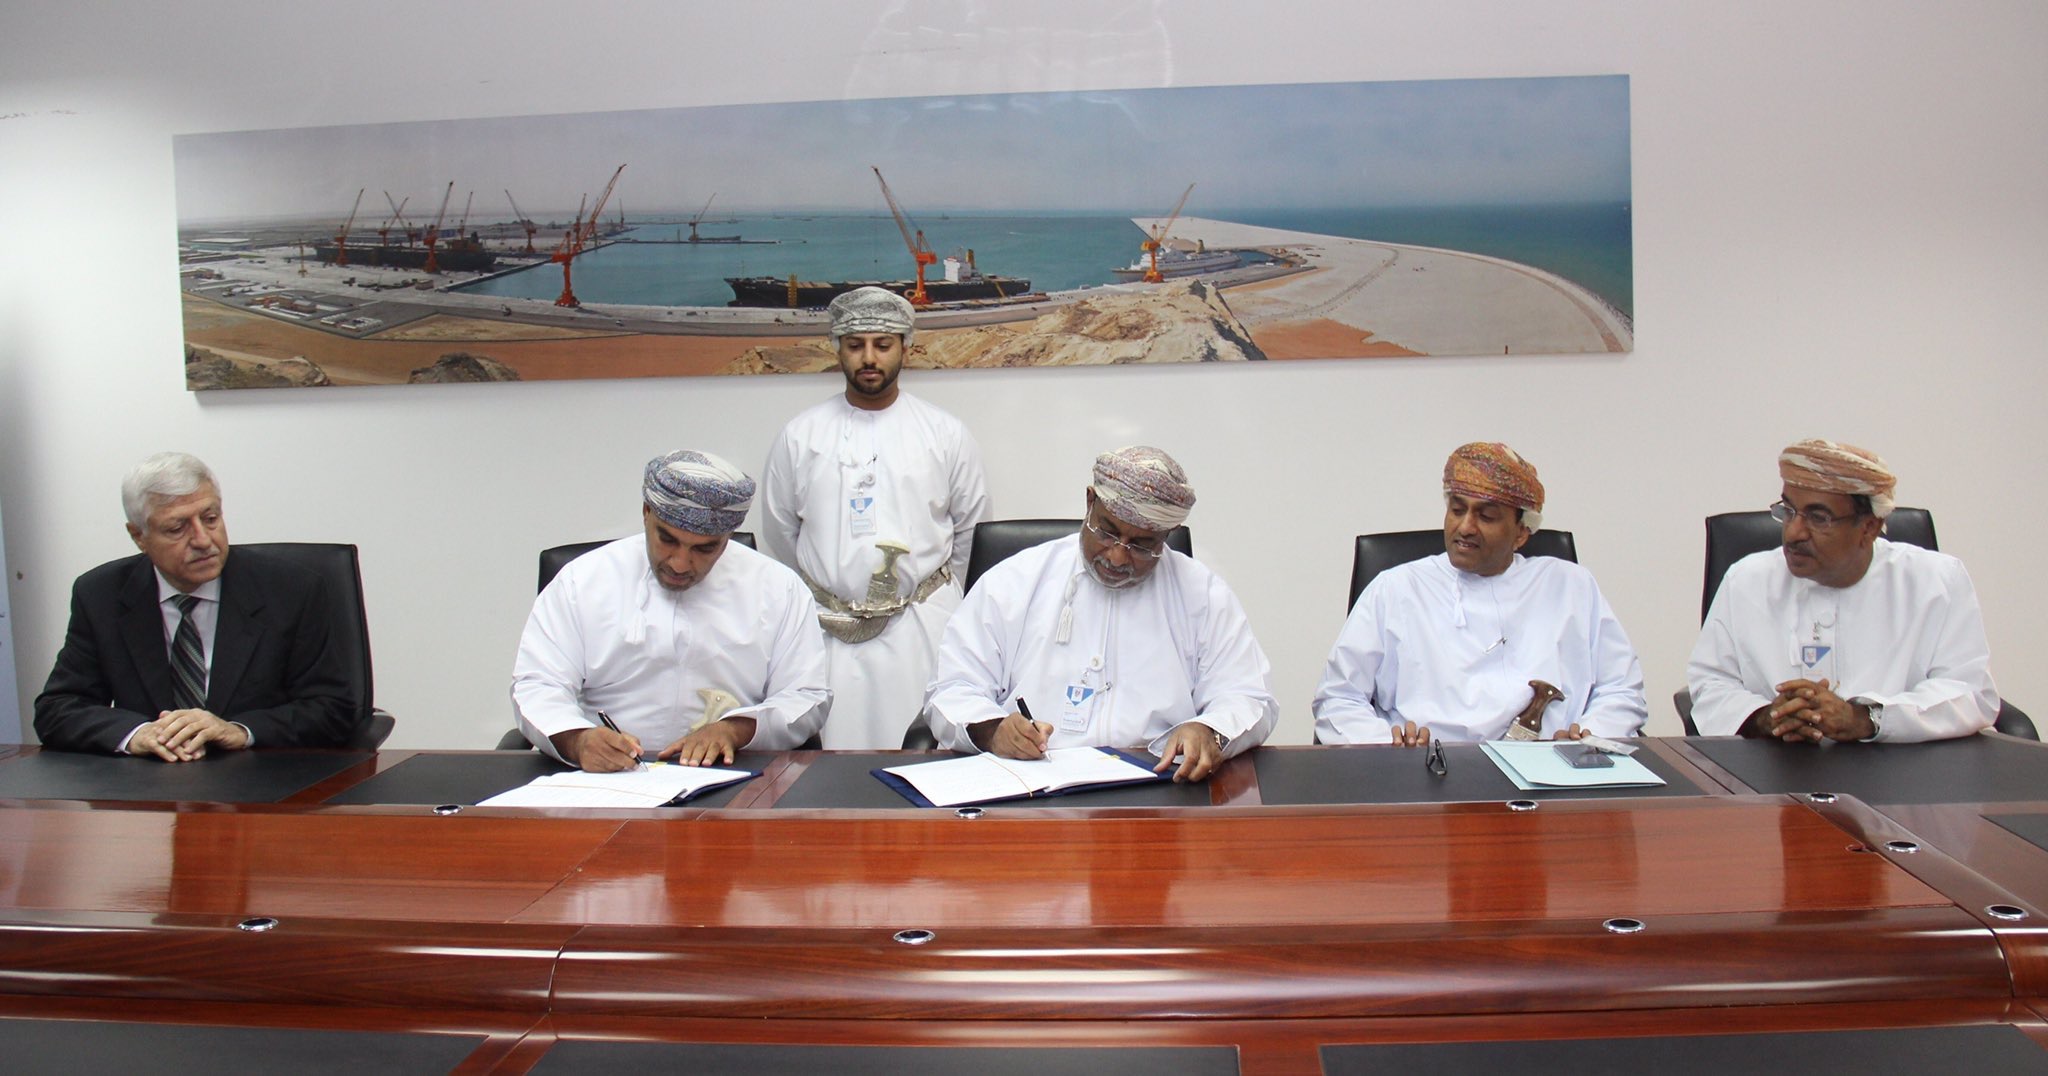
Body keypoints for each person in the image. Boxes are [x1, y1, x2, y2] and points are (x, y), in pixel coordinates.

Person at [923, 446, 1276, 782]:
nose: (1118, 557)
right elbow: (953, 687)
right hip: (1030, 784)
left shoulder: (1203, 594)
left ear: (1166, 536)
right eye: (1108, 532)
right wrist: (994, 730)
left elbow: (1247, 695)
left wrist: (1209, 731)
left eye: (1142, 545)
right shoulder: (1013, 581)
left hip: (1158, 787)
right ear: (1090, 501)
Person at [760, 286, 989, 749]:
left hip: (923, 626)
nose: (869, 358)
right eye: (855, 345)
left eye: (882, 345)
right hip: (829, 632)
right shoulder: (801, 435)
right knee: (832, 762)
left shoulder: (944, 433)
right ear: (837, 348)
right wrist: (834, 591)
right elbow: (781, 531)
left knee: (927, 758)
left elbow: (971, 529)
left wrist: (929, 598)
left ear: (906, 347)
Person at [513, 449, 830, 772]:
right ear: (646, 512)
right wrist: (578, 739)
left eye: (704, 548)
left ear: (727, 537)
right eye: (667, 540)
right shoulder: (582, 581)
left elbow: (805, 696)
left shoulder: (778, 589)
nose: (680, 563)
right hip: (605, 777)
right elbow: (538, 685)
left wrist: (737, 730)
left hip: (732, 773)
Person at [1313, 442, 1647, 746]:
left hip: (1553, 770)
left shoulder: (1570, 585)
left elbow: (1620, 688)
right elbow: (1339, 699)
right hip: (1430, 771)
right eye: (1457, 510)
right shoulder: (1396, 589)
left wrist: (1589, 738)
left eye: (1486, 516)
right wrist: (1388, 746)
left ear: (1521, 533)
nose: (1465, 527)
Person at [34, 452, 361, 759]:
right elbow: (58, 709)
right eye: (177, 528)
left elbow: (333, 710)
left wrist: (239, 731)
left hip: (260, 781)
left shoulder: (291, 591)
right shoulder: (101, 595)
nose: (203, 540)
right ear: (139, 536)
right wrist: (136, 734)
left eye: (211, 518)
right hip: (147, 786)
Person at [1688, 439, 1997, 743]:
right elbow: (1711, 684)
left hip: (1899, 765)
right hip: (1776, 764)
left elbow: (1969, 692)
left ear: (1869, 527)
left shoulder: (1936, 580)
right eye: (1789, 511)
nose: (1794, 533)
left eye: (1818, 518)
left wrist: (1865, 718)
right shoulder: (1746, 579)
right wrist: (1767, 718)